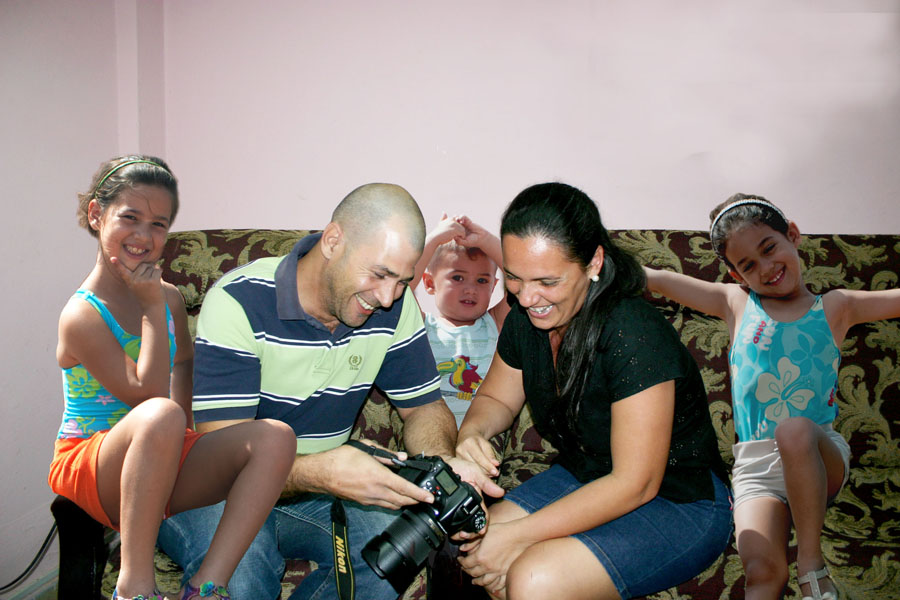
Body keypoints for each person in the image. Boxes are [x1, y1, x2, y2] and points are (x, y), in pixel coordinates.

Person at [158, 183, 504, 600]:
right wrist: (322, 471)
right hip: (212, 489)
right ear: (333, 241)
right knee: (244, 569)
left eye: (402, 280)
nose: (387, 296)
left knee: (389, 556)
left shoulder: (394, 307)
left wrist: (441, 462)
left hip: (310, 493)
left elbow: (425, 408)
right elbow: (222, 462)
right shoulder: (239, 301)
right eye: (378, 274)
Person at [455, 182, 732, 600]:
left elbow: (636, 483)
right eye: (514, 277)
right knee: (466, 542)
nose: (528, 298)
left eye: (547, 281)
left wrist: (517, 538)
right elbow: (496, 399)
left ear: (594, 262)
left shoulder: (632, 332)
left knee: (533, 579)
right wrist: (472, 433)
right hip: (587, 476)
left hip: (678, 500)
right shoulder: (526, 320)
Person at [48, 156, 297, 600]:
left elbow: (182, 362)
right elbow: (146, 395)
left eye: (159, 224)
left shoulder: (167, 297)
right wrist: (148, 309)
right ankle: (134, 586)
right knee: (158, 413)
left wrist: (181, 435)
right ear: (96, 215)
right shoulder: (82, 315)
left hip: (157, 448)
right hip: (91, 463)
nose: (144, 236)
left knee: (276, 437)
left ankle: (206, 588)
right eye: (130, 217)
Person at [644, 194, 900, 600]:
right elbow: (656, 278)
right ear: (735, 274)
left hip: (819, 455)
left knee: (794, 430)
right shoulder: (735, 303)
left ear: (793, 236)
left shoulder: (835, 307)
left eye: (770, 249)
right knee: (762, 572)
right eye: (748, 265)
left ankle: (811, 564)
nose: (766, 268)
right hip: (755, 469)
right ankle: (785, 568)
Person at [412, 214, 511, 428]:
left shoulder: (495, 324)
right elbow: (401, 289)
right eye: (457, 277)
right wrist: (434, 239)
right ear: (429, 283)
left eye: (482, 280)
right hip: (432, 434)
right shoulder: (422, 327)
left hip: (481, 433)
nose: (470, 289)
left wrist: (485, 239)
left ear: (493, 287)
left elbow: (519, 278)